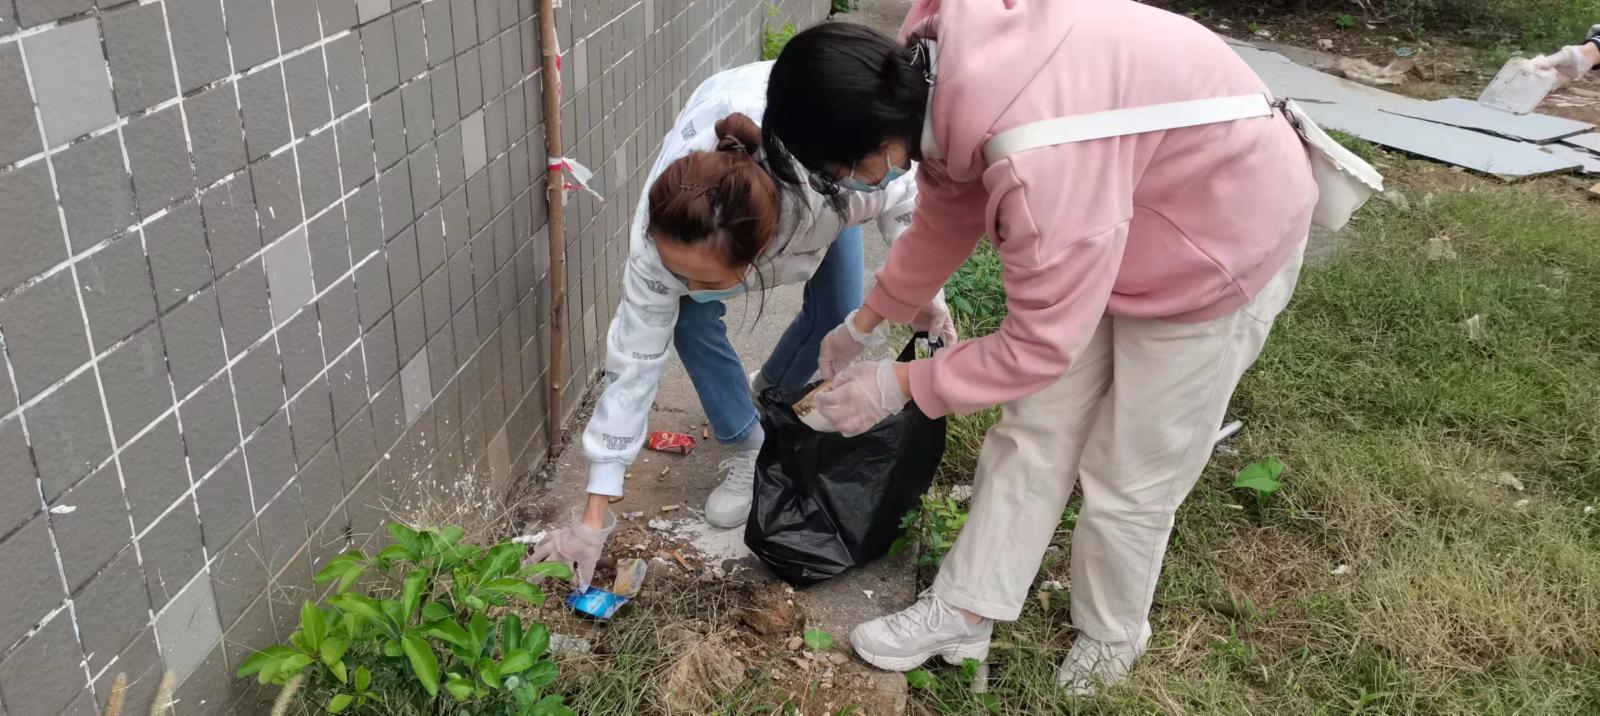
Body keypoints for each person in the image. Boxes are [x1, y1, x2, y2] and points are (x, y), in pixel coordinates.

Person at [761, 0, 1319, 695]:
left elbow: (1036, 349)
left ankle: (1112, 633)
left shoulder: (1036, 166)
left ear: (875, 145)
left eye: (843, 173)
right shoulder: (930, 76)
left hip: (1220, 234)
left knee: (1131, 467)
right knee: (1033, 427)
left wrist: (898, 386)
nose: (852, 187)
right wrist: (866, 321)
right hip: (1117, 208)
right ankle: (965, 610)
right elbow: (947, 210)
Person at [528, 61, 954, 592]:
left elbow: (908, 202)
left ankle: (771, 397)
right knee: (686, 318)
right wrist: (593, 517)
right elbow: (632, 368)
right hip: (740, 148)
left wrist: (925, 298)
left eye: (706, 280)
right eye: (681, 274)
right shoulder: (660, 242)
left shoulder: (840, 187)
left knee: (838, 311)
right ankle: (748, 439)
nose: (687, 285)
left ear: (757, 256)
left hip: (812, 162)